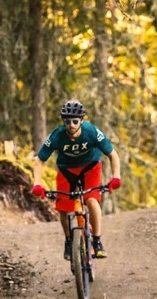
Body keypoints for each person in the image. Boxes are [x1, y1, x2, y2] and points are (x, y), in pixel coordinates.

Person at [31, 99, 121, 260]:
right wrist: (37, 183)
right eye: (67, 121)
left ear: (81, 120)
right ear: (63, 121)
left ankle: (97, 240)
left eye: (75, 121)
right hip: (67, 170)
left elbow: (113, 154)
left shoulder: (91, 132)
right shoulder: (57, 136)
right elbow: (39, 160)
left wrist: (116, 177)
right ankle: (68, 240)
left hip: (90, 166)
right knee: (64, 208)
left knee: (92, 200)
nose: (71, 124)